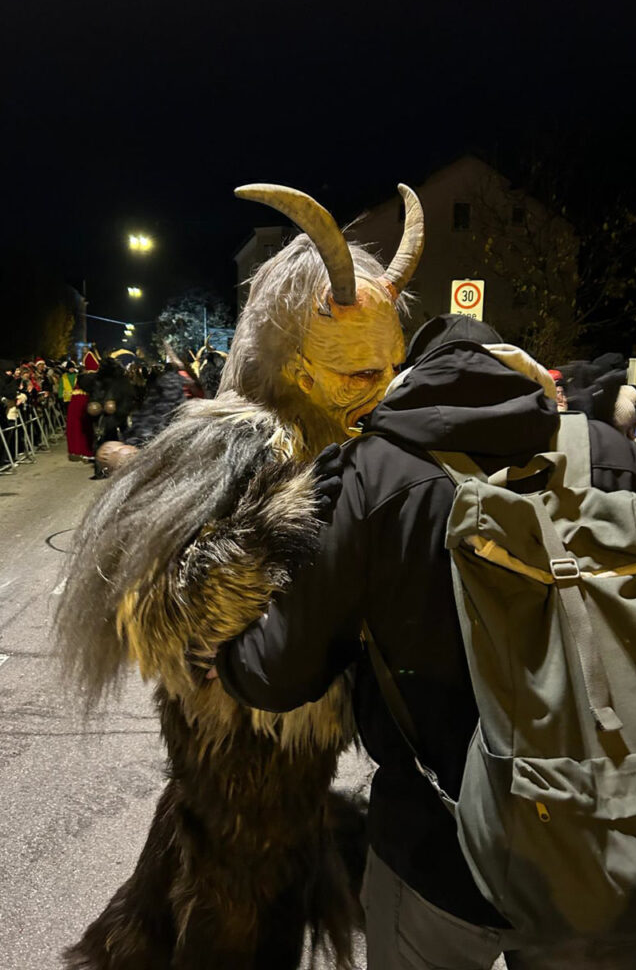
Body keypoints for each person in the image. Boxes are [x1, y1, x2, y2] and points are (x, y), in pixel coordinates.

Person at [56, 180, 424, 969]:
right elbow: (168, 601)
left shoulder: (337, 445)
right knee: (235, 905)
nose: (379, 395)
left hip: (283, 745)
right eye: (361, 377)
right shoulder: (249, 442)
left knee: (233, 874)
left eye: (388, 373)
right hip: (243, 732)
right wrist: (295, 554)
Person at [216, 314, 636, 970]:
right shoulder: (612, 455)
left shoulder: (372, 475)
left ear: (412, 380)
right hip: (600, 845)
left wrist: (221, 650)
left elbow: (282, 673)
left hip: (435, 851)